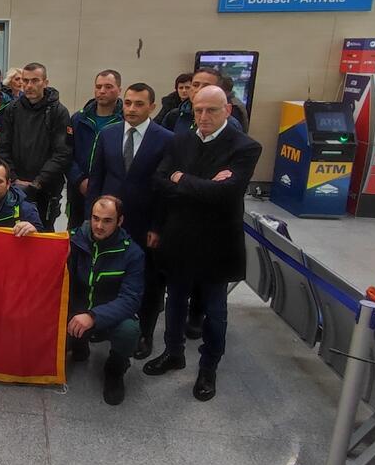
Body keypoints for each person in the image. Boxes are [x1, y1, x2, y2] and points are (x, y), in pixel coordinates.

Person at [144, 85, 262, 402]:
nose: (203, 116)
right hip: (180, 236)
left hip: (217, 243)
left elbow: (227, 194)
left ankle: (208, 368)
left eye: (211, 110)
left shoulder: (245, 147)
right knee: (176, 301)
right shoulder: (180, 140)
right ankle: (173, 352)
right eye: (198, 110)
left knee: (215, 310)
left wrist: (182, 179)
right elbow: (159, 181)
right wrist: (204, 185)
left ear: (227, 110)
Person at [86, 83, 174, 359]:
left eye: (138, 104)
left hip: (145, 223)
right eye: (128, 103)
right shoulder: (108, 134)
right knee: (107, 273)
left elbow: (165, 190)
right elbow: (96, 177)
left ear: (152, 107)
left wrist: (158, 226)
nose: (131, 109)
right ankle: (104, 322)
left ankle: (144, 333)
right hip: (108, 221)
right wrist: (91, 220)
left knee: (148, 281)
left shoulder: (166, 139)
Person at [67, 196, 144, 405]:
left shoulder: (132, 253)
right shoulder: (73, 240)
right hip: (75, 310)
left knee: (129, 330)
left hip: (107, 316)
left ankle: (114, 371)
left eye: (107, 220)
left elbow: (130, 300)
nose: (99, 226)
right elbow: (44, 252)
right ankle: (78, 343)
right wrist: (28, 228)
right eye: (95, 218)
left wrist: (93, 316)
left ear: (120, 221)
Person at [0, 62, 71, 231]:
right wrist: (14, 179)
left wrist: (38, 183)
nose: (29, 86)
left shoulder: (58, 112)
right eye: (25, 81)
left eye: (35, 81)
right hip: (15, 188)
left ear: (45, 82)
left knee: (41, 236)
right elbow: (2, 147)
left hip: (46, 190)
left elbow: (62, 153)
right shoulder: (12, 109)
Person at [68, 69, 124, 230]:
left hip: (110, 191)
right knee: (76, 235)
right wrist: (79, 180)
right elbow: (67, 153)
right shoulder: (78, 119)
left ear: (119, 90)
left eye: (108, 87)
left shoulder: (123, 121)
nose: (102, 91)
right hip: (79, 191)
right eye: (98, 86)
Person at [162, 67, 242, 135]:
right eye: (195, 85)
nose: (199, 90)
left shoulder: (229, 123)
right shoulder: (174, 116)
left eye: (206, 86)